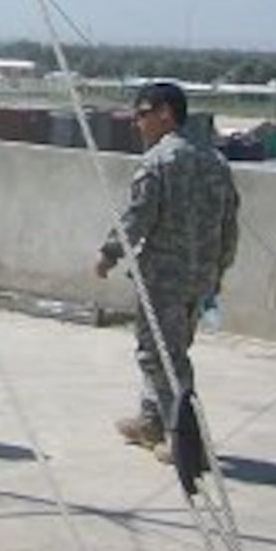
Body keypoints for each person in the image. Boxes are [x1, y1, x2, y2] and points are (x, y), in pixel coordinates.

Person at [95, 79, 240, 453]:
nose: (137, 123)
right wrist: (217, 274)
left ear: (165, 114)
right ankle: (152, 422)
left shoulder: (159, 161)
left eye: (143, 115)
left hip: (165, 279)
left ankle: (185, 440)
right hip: (201, 280)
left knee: (158, 354)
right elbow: (230, 225)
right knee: (171, 350)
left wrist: (110, 252)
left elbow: (137, 217)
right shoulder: (216, 161)